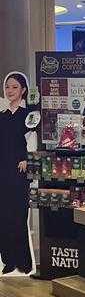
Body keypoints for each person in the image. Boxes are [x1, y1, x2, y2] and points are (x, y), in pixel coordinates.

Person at [0, 72, 33, 274]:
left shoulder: (29, 115)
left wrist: (26, 159)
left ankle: (23, 261)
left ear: (23, 90)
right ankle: (8, 259)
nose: (10, 91)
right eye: (7, 87)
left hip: (19, 172)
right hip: (2, 171)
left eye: (14, 87)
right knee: (3, 215)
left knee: (19, 215)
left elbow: (32, 141)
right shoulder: (2, 115)